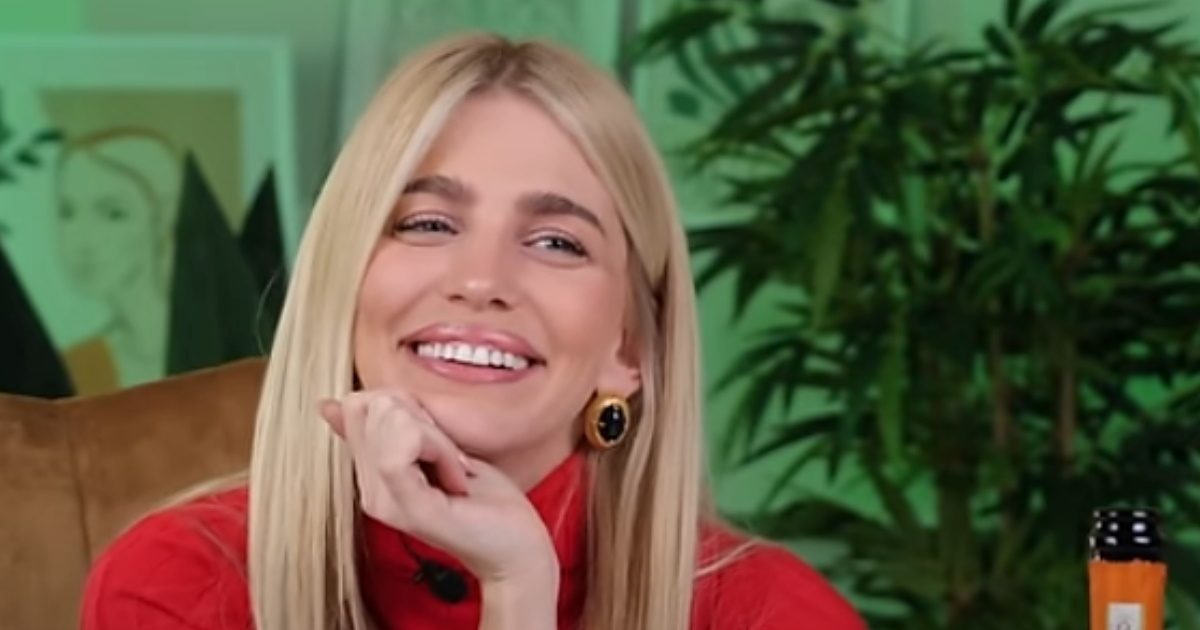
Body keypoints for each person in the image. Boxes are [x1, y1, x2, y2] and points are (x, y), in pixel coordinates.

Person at [80, 33, 865, 629]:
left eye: (556, 242)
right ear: (343, 290)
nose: (482, 280)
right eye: (427, 223)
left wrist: (518, 589)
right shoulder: (181, 582)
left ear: (629, 349)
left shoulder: (771, 614)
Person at [55, 128, 181, 394]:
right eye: (67, 212)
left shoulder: (224, 349)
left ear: (162, 218)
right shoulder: (79, 364)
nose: (81, 240)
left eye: (113, 214)